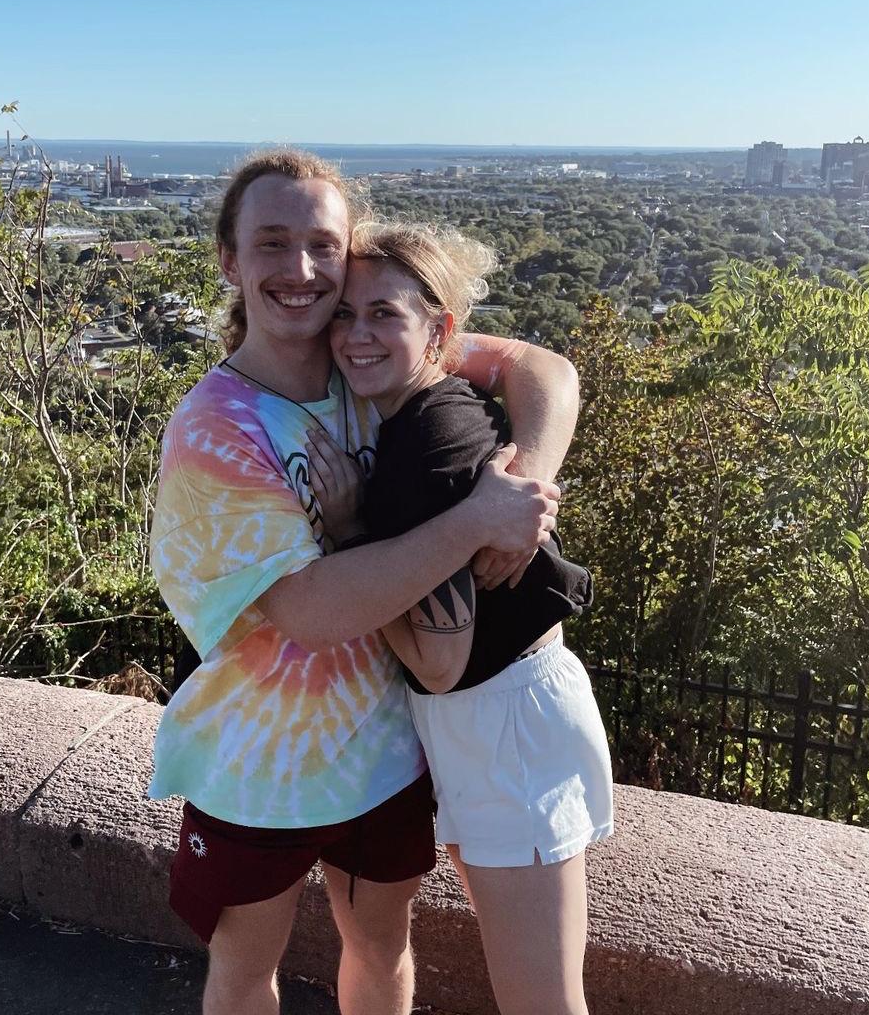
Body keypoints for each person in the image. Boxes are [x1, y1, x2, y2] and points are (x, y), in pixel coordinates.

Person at [148, 148, 579, 1015]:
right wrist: (472, 523)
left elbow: (544, 369)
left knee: (382, 947)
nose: (301, 270)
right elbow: (313, 611)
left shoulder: (364, 362)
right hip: (260, 762)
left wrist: (523, 483)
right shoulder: (217, 428)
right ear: (230, 261)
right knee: (244, 971)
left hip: (385, 746)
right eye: (272, 244)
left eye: (322, 245)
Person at [322, 220, 613, 1015]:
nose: (356, 334)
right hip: (499, 714)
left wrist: (348, 539)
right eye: (344, 314)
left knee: (541, 1002)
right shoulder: (421, 414)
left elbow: (439, 661)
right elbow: (536, 363)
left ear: (439, 329)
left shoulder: (429, 448)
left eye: (385, 313)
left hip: (500, 721)